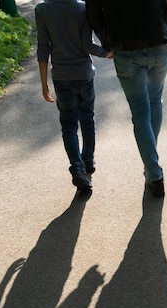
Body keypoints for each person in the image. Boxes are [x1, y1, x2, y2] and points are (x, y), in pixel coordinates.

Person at [85, 0, 167, 197]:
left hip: (124, 44)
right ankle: (151, 160)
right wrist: (164, 19)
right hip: (160, 39)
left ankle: (154, 172)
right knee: (155, 101)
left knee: (140, 112)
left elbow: (92, 11)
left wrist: (107, 40)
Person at [35, 0, 111, 191]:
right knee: (87, 118)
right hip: (84, 74)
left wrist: (44, 83)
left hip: (61, 77)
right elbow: (88, 45)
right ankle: (88, 160)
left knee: (68, 124)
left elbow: (43, 48)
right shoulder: (83, 7)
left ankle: (77, 169)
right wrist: (107, 53)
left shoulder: (42, 10)